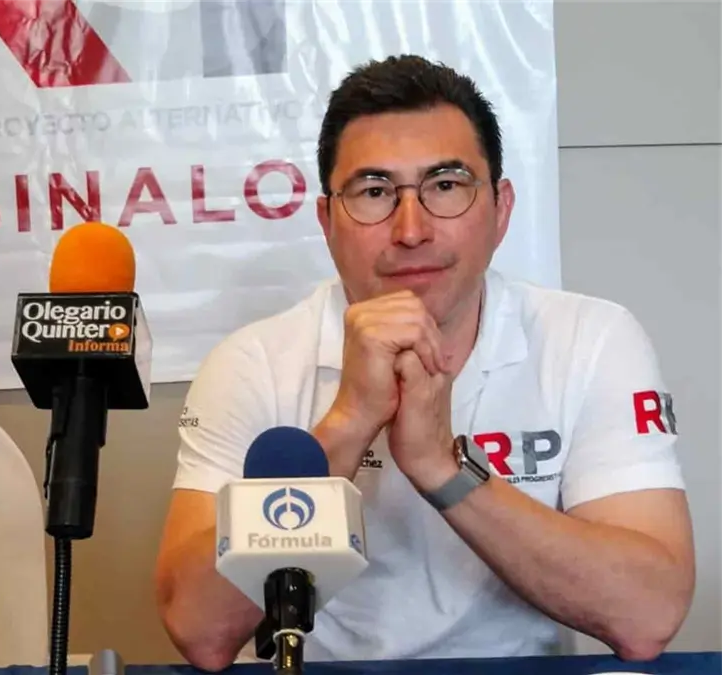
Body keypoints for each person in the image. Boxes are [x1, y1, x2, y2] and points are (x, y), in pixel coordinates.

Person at [154, 54, 694, 668]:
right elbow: (200, 631)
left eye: (445, 186)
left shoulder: (590, 340)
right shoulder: (251, 363)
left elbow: (646, 616)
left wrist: (443, 467)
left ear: (501, 209)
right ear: (328, 221)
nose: (411, 230)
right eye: (374, 192)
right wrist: (348, 423)